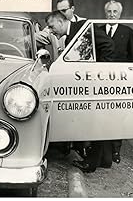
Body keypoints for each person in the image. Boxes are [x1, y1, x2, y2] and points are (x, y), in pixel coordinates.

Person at [46, 11, 115, 172]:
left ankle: (91, 163)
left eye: (51, 26)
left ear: (61, 22)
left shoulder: (82, 27)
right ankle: (104, 159)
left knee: (95, 121)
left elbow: (108, 45)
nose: (50, 30)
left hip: (97, 82)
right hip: (90, 83)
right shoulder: (70, 36)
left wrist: (100, 71)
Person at [100, 0, 133, 164]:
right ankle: (101, 150)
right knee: (101, 115)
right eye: (109, 11)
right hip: (100, 80)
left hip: (120, 81)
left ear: (120, 14)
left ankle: (116, 150)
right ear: (105, 13)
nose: (112, 15)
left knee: (118, 116)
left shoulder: (128, 32)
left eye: (115, 12)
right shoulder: (98, 30)